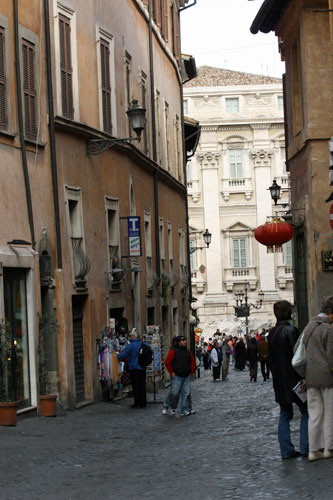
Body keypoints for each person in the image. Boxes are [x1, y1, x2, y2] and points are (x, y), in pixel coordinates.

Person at [268, 300, 308, 459]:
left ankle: (286, 450)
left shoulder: (271, 333)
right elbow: (298, 358)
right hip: (294, 380)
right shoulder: (291, 331)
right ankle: (305, 447)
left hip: (279, 380)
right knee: (306, 411)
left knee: (285, 414)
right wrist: (304, 376)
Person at [296, 296, 333, 462]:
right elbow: (332, 356)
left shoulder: (309, 326)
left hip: (310, 377)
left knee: (314, 414)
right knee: (329, 413)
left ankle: (313, 450)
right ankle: (328, 448)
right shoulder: (328, 329)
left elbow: (297, 351)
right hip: (327, 377)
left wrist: (305, 372)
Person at [117, 329, 152, 409]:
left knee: (135, 386)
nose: (129, 337)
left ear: (133, 336)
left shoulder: (131, 345)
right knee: (142, 385)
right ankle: (143, 402)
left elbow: (124, 355)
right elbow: (151, 353)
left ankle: (137, 402)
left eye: (130, 336)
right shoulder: (144, 344)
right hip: (142, 368)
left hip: (134, 368)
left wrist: (117, 356)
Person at [165, 335, 196, 416]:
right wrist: (171, 372)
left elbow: (192, 361)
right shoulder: (173, 351)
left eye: (185, 340)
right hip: (177, 375)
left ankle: (184, 409)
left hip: (186, 375)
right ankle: (172, 407)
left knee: (186, 393)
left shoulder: (188, 351)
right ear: (178, 342)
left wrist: (191, 371)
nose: (185, 341)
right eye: (182, 340)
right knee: (174, 393)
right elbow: (167, 362)